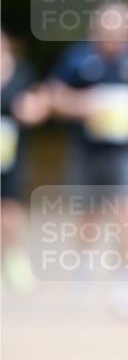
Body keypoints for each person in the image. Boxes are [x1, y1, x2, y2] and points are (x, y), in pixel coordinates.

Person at [50, 1, 128, 316]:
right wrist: (83, 105)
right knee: (87, 215)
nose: (115, 34)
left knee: (127, 213)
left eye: (122, 29)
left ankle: (124, 281)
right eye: (109, 28)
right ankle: (85, 265)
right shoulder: (77, 58)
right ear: (97, 28)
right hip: (87, 149)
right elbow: (55, 96)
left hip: (126, 150)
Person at [1, 27, 50, 290]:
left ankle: (11, 256)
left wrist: (31, 109)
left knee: (9, 210)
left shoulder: (22, 72)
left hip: (11, 153)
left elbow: (40, 101)